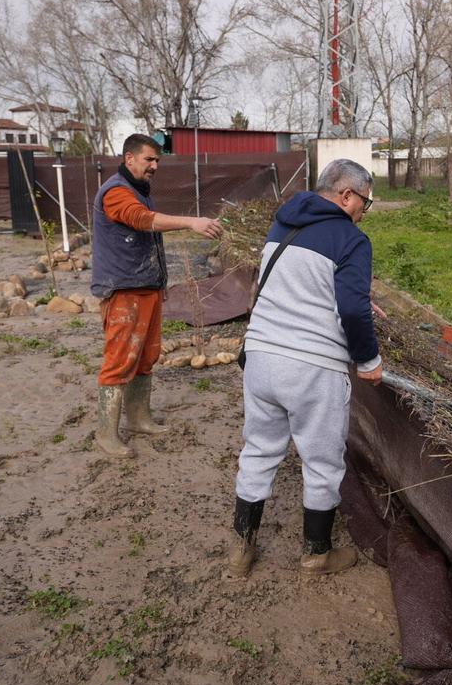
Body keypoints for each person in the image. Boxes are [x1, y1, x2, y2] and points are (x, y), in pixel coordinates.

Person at [230, 158, 383, 578]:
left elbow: (288, 282)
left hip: (261, 358)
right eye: (365, 202)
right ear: (346, 195)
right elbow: (352, 311)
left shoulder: (282, 224)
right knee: (322, 461)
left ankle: (241, 549)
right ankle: (317, 553)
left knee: (259, 450)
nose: (363, 211)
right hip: (312, 368)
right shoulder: (351, 240)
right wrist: (369, 361)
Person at [90, 133, 223, 458]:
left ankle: (138, 419)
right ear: (129, 158)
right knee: (120, 361)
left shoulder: (138, 190)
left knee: (146, 357)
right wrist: (191, 222)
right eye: (149, 159)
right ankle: (106, 434)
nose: (154, 166)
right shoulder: (116, 192)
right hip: (124, 291)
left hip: (146, 287)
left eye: (157, 160)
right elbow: (141, 220)